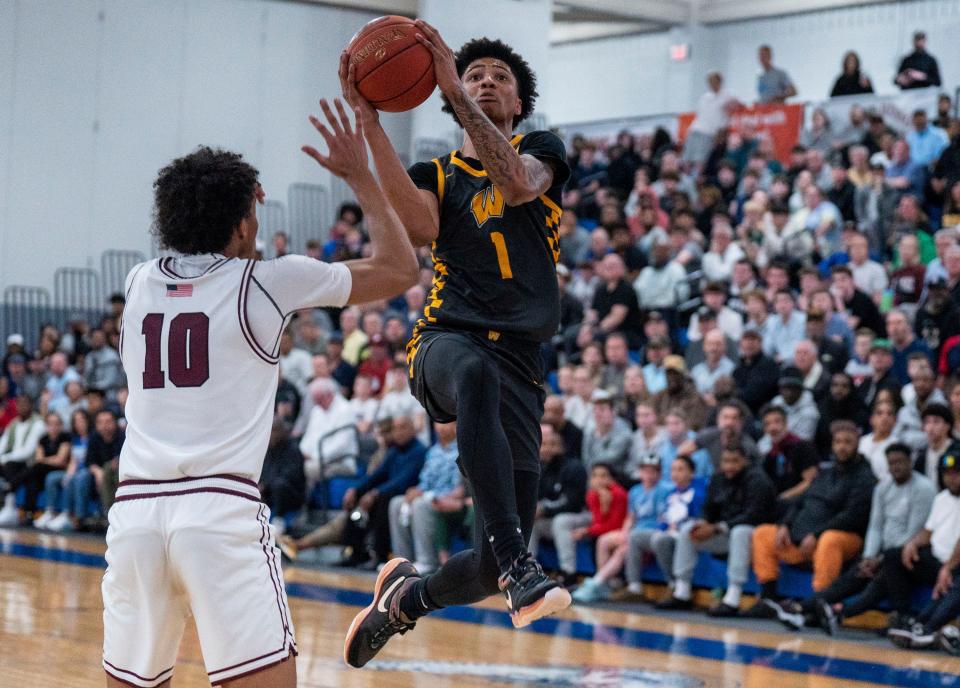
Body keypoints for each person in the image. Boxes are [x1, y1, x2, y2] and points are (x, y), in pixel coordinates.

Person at [101, 95, 419, 688]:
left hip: (136, 513)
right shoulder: (268, 283)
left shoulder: (139, 284)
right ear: (244, 222)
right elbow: (400, 268)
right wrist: (357, 176)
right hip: (219, 511)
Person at [339, 26, 574, 666]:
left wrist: (453, 88)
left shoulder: (543, 151)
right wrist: (370, 121)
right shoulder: (437, 173)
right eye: (474, 75)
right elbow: (415, 228)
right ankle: (522, 570)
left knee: (482, 565)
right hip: (447, 338)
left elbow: (520, 184)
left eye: (500, 76)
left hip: (523, 364)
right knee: (473, 375)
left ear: (519, 102)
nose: (487, 81)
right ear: (450, 93)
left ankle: (403, 600)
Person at [776, 443, 935, 634]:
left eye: (900, 462)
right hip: (882, 553)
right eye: (892, 463)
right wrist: (869, 556)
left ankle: (838, 614)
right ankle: (802, 609)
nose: (896, 466)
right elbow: (875, 526)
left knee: (879, 578)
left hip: (906, 555)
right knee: (854, 576)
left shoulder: (924, 488)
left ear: (910, 462)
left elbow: (913, 532)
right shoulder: (883, 487)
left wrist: (880, 560)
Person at [749, 421, 876, 619]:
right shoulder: (824, 473)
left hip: (844, 539)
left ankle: (819, 602)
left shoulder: (865, 477)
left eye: (847, 442)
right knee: (763, 533)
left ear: (857, 444)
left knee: (830, 539)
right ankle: (768, 598)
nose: (842, 447)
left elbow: (852, 516)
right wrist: (785, 525)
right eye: (838, 442)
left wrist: (817, 534)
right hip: (802, 538)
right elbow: (800, 502)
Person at [658, 444, 776, 615]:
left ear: (745, 461)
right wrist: (704, 522)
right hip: (722, 532)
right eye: (725, 461)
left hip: (753, 536)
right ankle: (682, 591)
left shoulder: (758, 480)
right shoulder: (718, 478)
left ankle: (733, 597)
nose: (729, 466)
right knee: (688, 530)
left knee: (739, 531)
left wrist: (717, 528)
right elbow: (708, 508)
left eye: (734, 461)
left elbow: (753, 515)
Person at [886, 450, 960, 645]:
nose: (951, 478)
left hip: (954, 564)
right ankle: (905, 617)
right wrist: (912, 543)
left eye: (956, 473)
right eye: (947, 473)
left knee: (953, 583)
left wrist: (948, 568)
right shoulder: (942, 498)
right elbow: (928, 531)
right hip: (939, 561)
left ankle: (926, 627)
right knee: (894, 556)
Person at [388, 421, 461, 574]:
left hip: (449, 498)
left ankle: (427, 560)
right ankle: (402, 561)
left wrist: (428, 495)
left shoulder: (462, 451)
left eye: (447, 423)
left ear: (456, 425)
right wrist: (415, 491)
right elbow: (425, 482)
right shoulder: (433, 451)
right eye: (439, 423)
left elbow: (459, 489)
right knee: (396, 502)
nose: (442, 427)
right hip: (428, 495)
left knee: (420, 504)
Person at [0, 394, 45, 526]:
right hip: (11, 462)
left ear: (31, 405)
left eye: (25, 403)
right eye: (19, 404)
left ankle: (10, 504)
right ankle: (8, 502)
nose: (22, 407)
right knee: (9, 465)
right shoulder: (13, 423)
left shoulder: (38, 423)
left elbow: (28, 451)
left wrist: (4, 458)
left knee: (11, 466)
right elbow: (2, 444)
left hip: (29, 463)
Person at [259, 419, 306, 526]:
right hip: (272, 491)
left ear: (280, 431)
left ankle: (278, 520)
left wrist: (265, 485)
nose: (269, 435)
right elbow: (265, 472)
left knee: (279, 485)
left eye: (272, 431)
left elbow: (289, 476)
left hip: (292, 495)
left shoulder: (293, 449)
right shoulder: (269, 450)